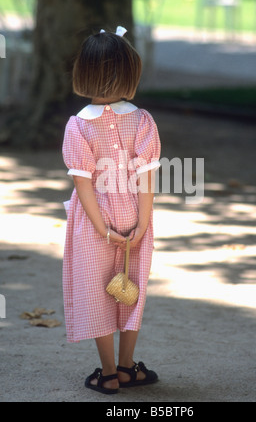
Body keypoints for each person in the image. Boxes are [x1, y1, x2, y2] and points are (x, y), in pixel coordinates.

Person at [62, 26, 161, 394]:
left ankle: (106, 374)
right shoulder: (143, 120)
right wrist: (141, 224)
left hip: (94, 224)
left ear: (83, 73)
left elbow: (83, 184)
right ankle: (127, 366)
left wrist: (103, 229)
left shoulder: (77, 127)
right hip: (136, 217)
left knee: (96, 289)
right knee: (131, 286)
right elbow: (147, 180)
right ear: (131, 73)